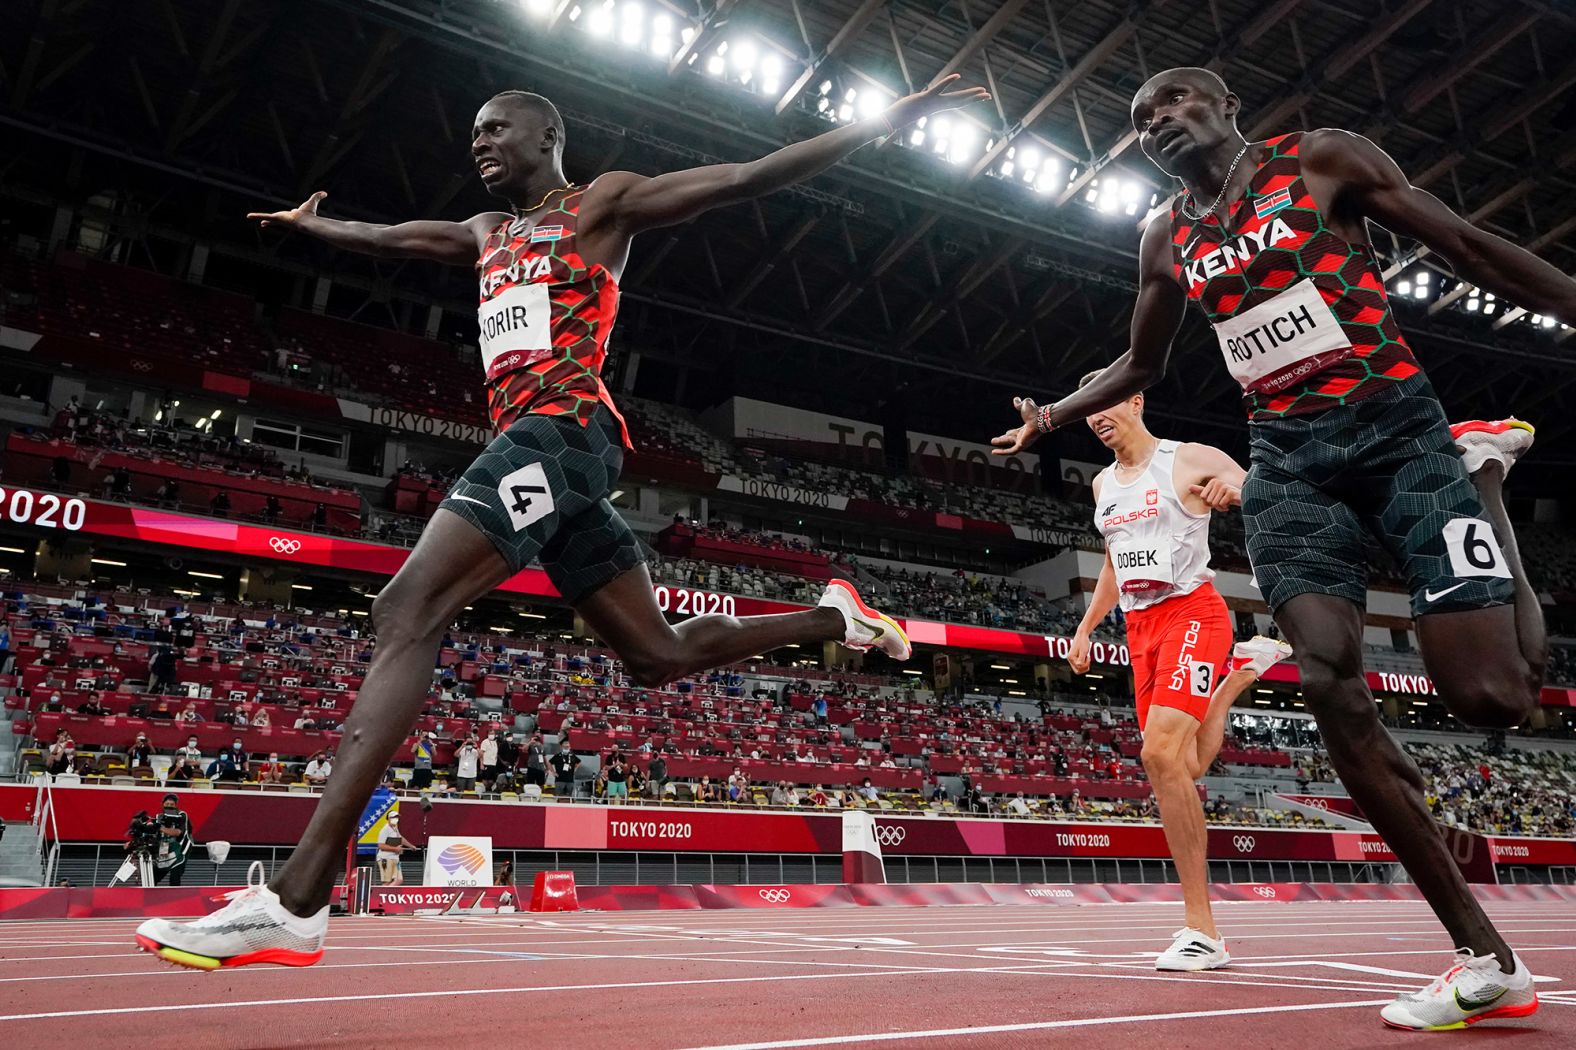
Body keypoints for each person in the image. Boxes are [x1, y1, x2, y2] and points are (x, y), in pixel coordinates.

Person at [138, 76, 988, 969]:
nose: (478, 140)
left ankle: (298, 897)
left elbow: (748, 176)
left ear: (548, 137)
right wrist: (315, 225)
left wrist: (889, 120)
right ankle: (834, 617)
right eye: (472, 130)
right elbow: (393, 240)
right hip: (551, 457)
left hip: (567, 432)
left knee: (406, 610)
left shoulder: (602, 205)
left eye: (496, 126)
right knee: (655, 656)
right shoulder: (485, 232)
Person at [991, 66, 1558, 1030]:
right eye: (1140, 120)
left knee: (1496, 697)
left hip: (1399, 436)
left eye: (1173, 102)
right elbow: (1142, 361)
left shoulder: (1321, 162)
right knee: (1333, 689)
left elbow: (1464, 244)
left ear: (1224, 105)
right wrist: (1053, 412)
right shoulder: (1168, 233)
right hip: (1291, 465)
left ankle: (1485, 482)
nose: (1158, 123)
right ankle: (1483, 957)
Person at [1063, 368, 1292, 970]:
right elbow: (1114, 562)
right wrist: (1087, 627)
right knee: (1184, 763)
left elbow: (1264, 492)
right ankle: (1240, 674)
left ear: (1135, 400)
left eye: (1106, 403)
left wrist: (1233, 494)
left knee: (1160, 756)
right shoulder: (1102, 485)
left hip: (1194, 611)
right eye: (1088, 410)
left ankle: (1202, 930)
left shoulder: (1188, 459)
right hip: (1140, 628)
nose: (1096, 417)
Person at [152, 794, 192, 886]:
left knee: (175, 877)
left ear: (176, 805)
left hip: (180, 848)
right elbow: (153, 833)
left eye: (172, 804)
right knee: (156, 874)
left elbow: (178, 832)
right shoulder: (159, 816)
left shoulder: (182, 815)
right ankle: (150, 895)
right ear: (162, 804)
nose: (169, 806)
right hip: (164, 846)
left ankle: (175, 897)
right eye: (167, 803)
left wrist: (161, 828)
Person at [374, 810, 410, 886]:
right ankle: (382, 895)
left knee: (399, 880)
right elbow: (380, 845)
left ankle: (384, 894)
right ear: (389, 818)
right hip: (385, 858)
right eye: (394, 817)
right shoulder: (385, 830)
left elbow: (401, 839)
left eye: (397, 817)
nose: (396, 819)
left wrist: (411, 846)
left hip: (395, 858)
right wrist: (395, 849)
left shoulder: (395, 828)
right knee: (387, 881)